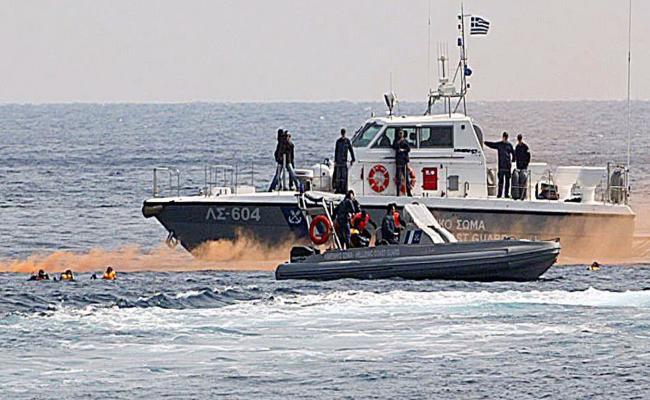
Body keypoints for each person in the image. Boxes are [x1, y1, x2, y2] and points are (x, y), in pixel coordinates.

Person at [485, 131, 515, 198]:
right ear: (503, 137)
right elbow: (492, 145)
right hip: (501, 166)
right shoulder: (499, 144)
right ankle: (499, 194)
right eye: (504, 137)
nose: (505, 139)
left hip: (508, 166)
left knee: (507, 182)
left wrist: (513, 160)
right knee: (500, 182)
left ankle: (506, 194)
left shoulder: (509, 145)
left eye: (506, 138)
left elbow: (513, 153)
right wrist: (485, 142)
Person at [333, 128, 355, 194]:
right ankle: (338, 189)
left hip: (344, 161)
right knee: (338, 176)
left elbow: (351, 150)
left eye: (343, 133)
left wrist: (353, 159)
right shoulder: (338, 141)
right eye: (342, 133)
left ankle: (343, 189)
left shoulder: (347, 141)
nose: (343, 134)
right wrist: (335, 160)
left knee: (344, 176)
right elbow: (336, 151)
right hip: (338, 161)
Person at [393, 130, 412, 197]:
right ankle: (398, 193)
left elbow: (408, 149)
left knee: (406, 177)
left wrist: (403, 150)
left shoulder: (405, 141)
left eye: (401, 133)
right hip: (398, 160)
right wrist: (398, 143)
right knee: (398, 177)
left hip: (404, 161)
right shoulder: (396, 141)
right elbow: (394, 147)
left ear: (403, 134)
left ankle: (409, 192)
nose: (400, 134)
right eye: (399, 133)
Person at [512, 134, 531, 200]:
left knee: (523, 179)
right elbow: (515, 156)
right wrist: (513, 160)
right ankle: (518, 194)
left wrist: (526, 163)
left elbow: (528, 156)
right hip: (519, 166)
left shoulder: (525, 147)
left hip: (524, 166)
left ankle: (523, 195)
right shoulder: (517, 147)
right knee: (518, 180)